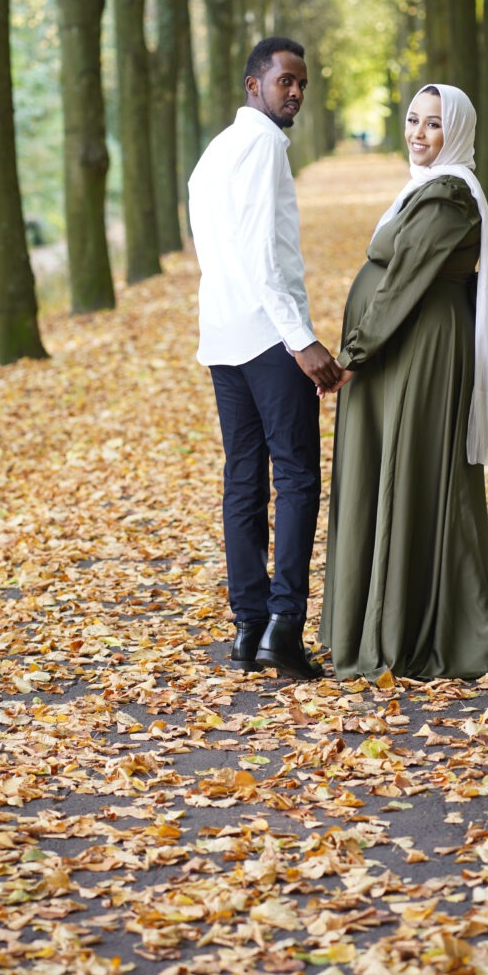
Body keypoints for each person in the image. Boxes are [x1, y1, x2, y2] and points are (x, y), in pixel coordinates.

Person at [319, 84, 488, 683]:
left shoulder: (451, 195)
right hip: (401, 345)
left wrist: (353, 353)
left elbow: (406, 274)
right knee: (389, 472)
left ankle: (417, 630)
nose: (419, 133)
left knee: (414, 476)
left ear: (456, 131)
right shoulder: (427, 186)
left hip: (420, 350)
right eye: (412, 119)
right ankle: (382, 621)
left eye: (433, 124)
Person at [188, 36, 342, 681]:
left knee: (244, 482)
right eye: (285, 81)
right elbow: (262, 257)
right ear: (255, 84)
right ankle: (284, 626)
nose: (296, 92)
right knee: (297, 478)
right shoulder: (262, 148)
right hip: (264, 340)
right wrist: (300, 338)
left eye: (302, 82)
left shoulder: (214, 153)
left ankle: (248, 630)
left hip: (223, 335)